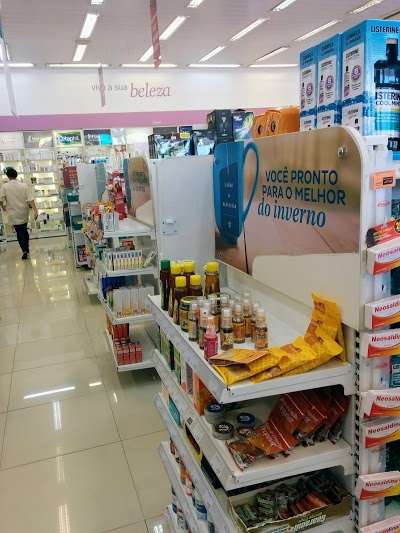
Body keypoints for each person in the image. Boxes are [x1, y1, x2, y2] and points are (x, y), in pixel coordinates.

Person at [0, 167, 38, 259]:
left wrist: (3, 207)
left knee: (19, 231)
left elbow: (1, 199)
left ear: (8, 176)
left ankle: (24, 250)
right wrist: (35, 210)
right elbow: (30, 199)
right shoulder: (24, 185)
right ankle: (26, 249)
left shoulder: (5, 187)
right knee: (24, 229)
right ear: (16, 175)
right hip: (24, 211)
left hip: (13, 212)